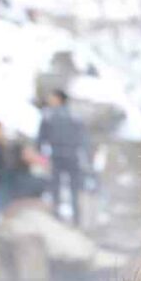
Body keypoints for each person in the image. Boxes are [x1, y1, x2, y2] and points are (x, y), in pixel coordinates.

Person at [37, 89, 88, 225]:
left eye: (52, 97)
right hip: (73, 156)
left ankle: (57, 218)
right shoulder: (75, 116)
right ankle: (76, 220)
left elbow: (41, 139)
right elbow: (83, 139)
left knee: (56, 188)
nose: (49, 100)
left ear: (59, 99)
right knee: (74, 189)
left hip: (57, 156)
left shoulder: (48, 116)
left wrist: (41, 157)